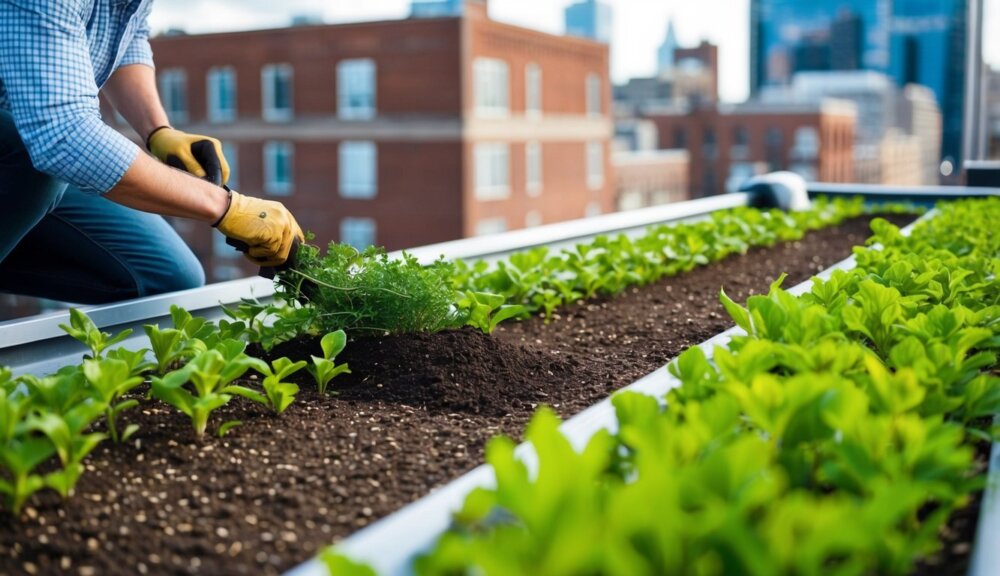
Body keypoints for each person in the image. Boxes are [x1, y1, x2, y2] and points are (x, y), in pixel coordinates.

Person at [0, 0, 302, 305]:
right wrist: (226, 207)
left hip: (28, 164)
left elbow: (127, 38)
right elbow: (64, 136)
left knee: (165, 276)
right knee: (27, 155)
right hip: (27, 154)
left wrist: (159, 132)